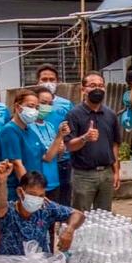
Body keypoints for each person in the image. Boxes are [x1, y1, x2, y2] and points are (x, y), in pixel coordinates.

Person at [0, 165, 85, 256]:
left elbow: (78, 215)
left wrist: (69, 230)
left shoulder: (45, 208)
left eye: (41, 195)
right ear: (20, 192)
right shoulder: (9, 211)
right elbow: (0, 209)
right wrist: (2, 180)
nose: (36, 199)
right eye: (32, 194)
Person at [64, 71, 122, 211]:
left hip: (106, 173)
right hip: (83, 175)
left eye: (101, 85)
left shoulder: (110, 114)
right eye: (92, 85)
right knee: (80, 215)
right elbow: (69, 145)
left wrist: (116, 171)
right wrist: (85, 138)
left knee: (104, 216)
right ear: (83, 89)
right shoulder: (74, 114)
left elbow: (114, 144)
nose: (97, 89)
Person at [36, 64, 75, 206]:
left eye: (52, 79)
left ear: (57, 82)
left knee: (63, 197)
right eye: (44, 79)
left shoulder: (66, 104)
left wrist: (65, 143)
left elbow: (72, 129)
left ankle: (62, 226)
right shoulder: (31, 104)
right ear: (37, 82)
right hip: (40, 160)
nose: (48, 82)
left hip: (62, 159)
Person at [0, 89, 42, 201]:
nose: (34, 111)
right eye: (31, 106)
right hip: (19, 191)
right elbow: (17, 164)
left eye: (37, 108)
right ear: (18, 107)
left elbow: (43, 156)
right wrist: (30, 192)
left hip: (34, 186)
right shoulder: (10, 131)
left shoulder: (29, 129)